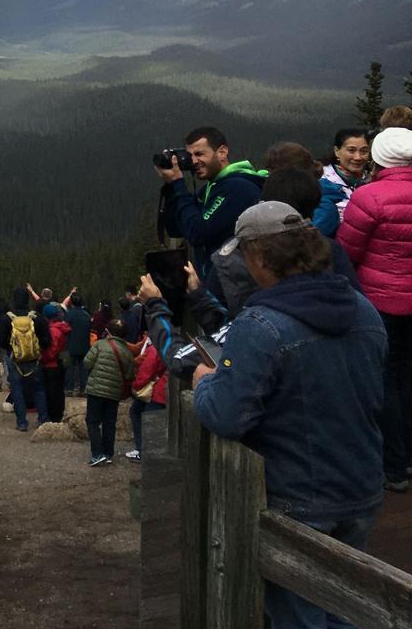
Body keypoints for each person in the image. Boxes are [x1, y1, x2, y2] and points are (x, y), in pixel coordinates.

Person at [189, 202, 385, 629]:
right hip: (362, 486)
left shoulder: (261, 325)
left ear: (259, 256)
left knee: (299, 617)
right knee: (346, 609)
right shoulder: (364, 310)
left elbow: (226, 416)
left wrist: (203, 383)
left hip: (297, 496)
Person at [337, 126, 412, 492]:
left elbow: (347, 253)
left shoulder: (368, 197)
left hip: (381, 304)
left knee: (386, 380)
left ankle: (395, 467)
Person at [156, 125, 265, 279]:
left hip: (236, 287)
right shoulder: (208, 190)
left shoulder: (238, 188)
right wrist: (171, 186)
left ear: (222, 152)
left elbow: (198, 234)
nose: (193, 161)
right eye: (190, 156)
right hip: (218, 284)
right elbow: (176, 228)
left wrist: (178, 184)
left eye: (199, 154)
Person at [0, 285, 50, 432]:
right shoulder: (35, 317)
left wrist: (9, 349)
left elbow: (0, 340)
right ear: (27, 299)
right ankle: (43, 419)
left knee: (17, 390)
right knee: (39, 389)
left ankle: (22, 422)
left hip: (15, 359)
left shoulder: (7, 318)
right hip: (34, 359)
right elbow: (47, 338)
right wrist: (39, 350)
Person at [83, 318, 135, 466]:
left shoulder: (99, 344)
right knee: (109, 423)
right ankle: (108, 453)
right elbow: (130, 375)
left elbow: (87, 362)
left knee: (92, 422)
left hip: (96, 390)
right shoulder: (127, 352)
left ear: (108, 331)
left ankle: (97, 454)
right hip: (114, 392)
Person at [126, 332, 168, 463]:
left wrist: (135, 385)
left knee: (143, 416)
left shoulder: (155, 349)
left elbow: (147, 369)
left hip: (158, 390)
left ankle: (144, 451)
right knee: (138, 412)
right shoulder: (168, 346)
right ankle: (143, 450)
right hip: (163, 387)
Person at [321, 127, 371, 215]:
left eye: (364, 151)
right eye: (351, 150)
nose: (358, 157)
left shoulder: (373, 181)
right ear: (337, 151)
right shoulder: (321, 180)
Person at [40, 302, 70, 422]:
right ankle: (59, 413)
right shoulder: (63, 327)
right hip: (62, 360)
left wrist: (43, 357)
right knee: (59, 389)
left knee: (52, 391)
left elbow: (52, 350)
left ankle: (54, 416)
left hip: (52, 364)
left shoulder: (53, 330)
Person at [63, 294, 93, 396]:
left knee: (69, 367)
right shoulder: (87, 315)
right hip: (84, 345)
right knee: (83, 368)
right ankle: (84, 389)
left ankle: (69, 389)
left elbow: (64, 329)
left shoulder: (68, 314)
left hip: (70, 344)